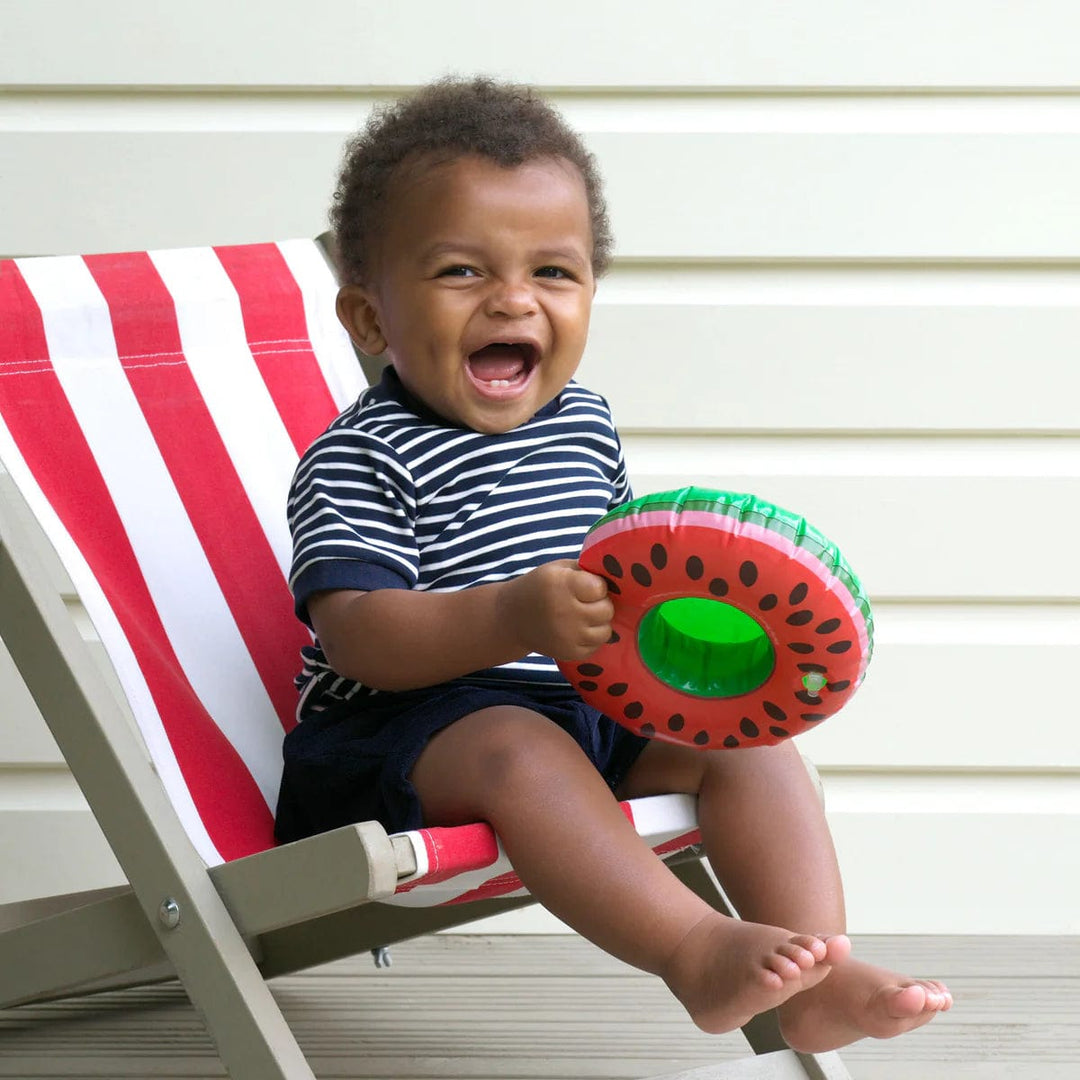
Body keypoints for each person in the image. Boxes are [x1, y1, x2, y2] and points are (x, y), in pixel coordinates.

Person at [275, 75, 952, 1050]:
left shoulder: (583, 422)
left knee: (748, 742)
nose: (515, 297)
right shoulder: (359, 459)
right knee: (517, 742)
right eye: (462, 271)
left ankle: (816, 972)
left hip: (580, 706)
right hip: (398, 741)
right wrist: (514, 616)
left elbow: (612, 580)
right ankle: (696, 953)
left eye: (554, 272)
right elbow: (361, 635)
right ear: (371, 320)